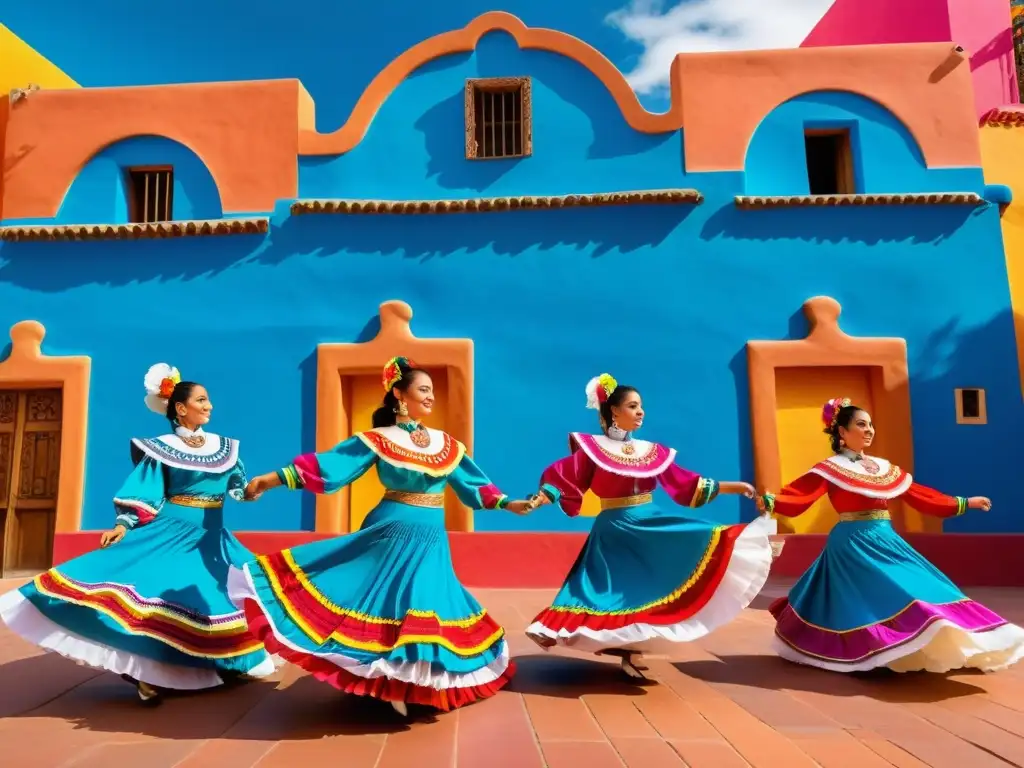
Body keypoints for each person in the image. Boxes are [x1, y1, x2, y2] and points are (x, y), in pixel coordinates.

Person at [228, 356, 534, 717]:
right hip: (390, 529)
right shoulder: (378, 440)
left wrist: (509, 504)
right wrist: (272, 478)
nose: (431, 397)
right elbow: (330, 465)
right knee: (388, 602)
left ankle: (409, 681)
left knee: (426, 601)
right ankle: (391, 684)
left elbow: (473, 483)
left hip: (431, 536)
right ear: (400, 396)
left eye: (432, 391)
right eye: (423, 390)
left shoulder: (444, 444)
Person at [0, 364, 276, 704]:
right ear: (180, 407)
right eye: (202, 400)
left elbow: (235, 488)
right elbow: (145, 492)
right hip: (171, 533)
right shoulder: (161, 448)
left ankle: (223, 663)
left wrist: (251, 491)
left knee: (232, 594)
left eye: (209, 401)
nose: (209, 406)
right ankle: (147, 673)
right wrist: (123, 525)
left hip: (213, 537)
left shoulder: (224, 447)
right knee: (160, 603)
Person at [523, 373, 777, 679]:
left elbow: (687, 483)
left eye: (641, 406)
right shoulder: (592, 449)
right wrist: (538, 500)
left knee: (696, 546)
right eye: (633, 406)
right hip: (614, 530)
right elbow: (563, 479)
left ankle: (630, 651)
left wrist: (735, 487)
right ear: (614, 411)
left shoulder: (650, 451)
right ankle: (565, 630)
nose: (640, 411)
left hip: (650, 522)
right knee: (612, 593)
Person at [757, 397, 1024, 673]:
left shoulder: (882, 467)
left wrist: (965, 502)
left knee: (921, 584)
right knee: (868, 600)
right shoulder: (831, 468)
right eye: (861, 424)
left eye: (871, 424)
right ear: (842, 432)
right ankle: (874, 649)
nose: (869, 430)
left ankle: (925, 637)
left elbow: (920, 495)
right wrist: (771, 500)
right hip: (852, 543)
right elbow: (800, 494)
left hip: (886, 539)